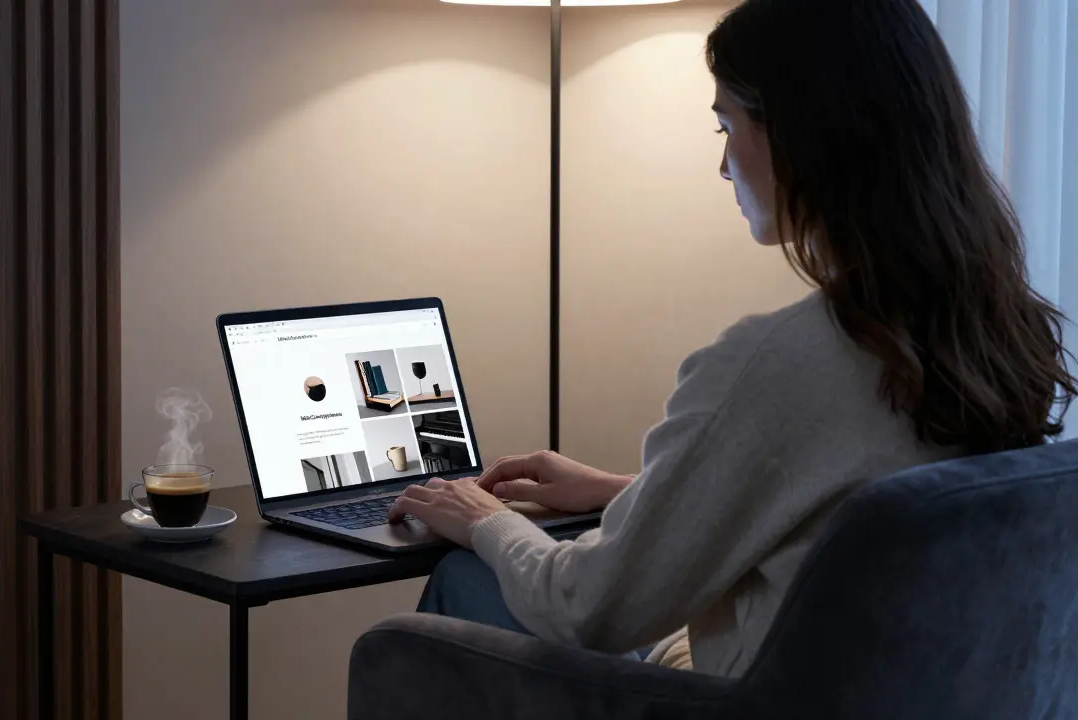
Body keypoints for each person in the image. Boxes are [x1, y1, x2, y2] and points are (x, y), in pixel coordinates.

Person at [386, 0, 1077, 678]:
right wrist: (627, 493)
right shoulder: (996, 330)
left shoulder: (782, 361)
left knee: (467, 580)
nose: (723, 165)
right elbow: (852, 512)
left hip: (747, 698)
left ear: (801, 135)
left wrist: (480, 517)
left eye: (727, 125)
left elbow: (588, 608)